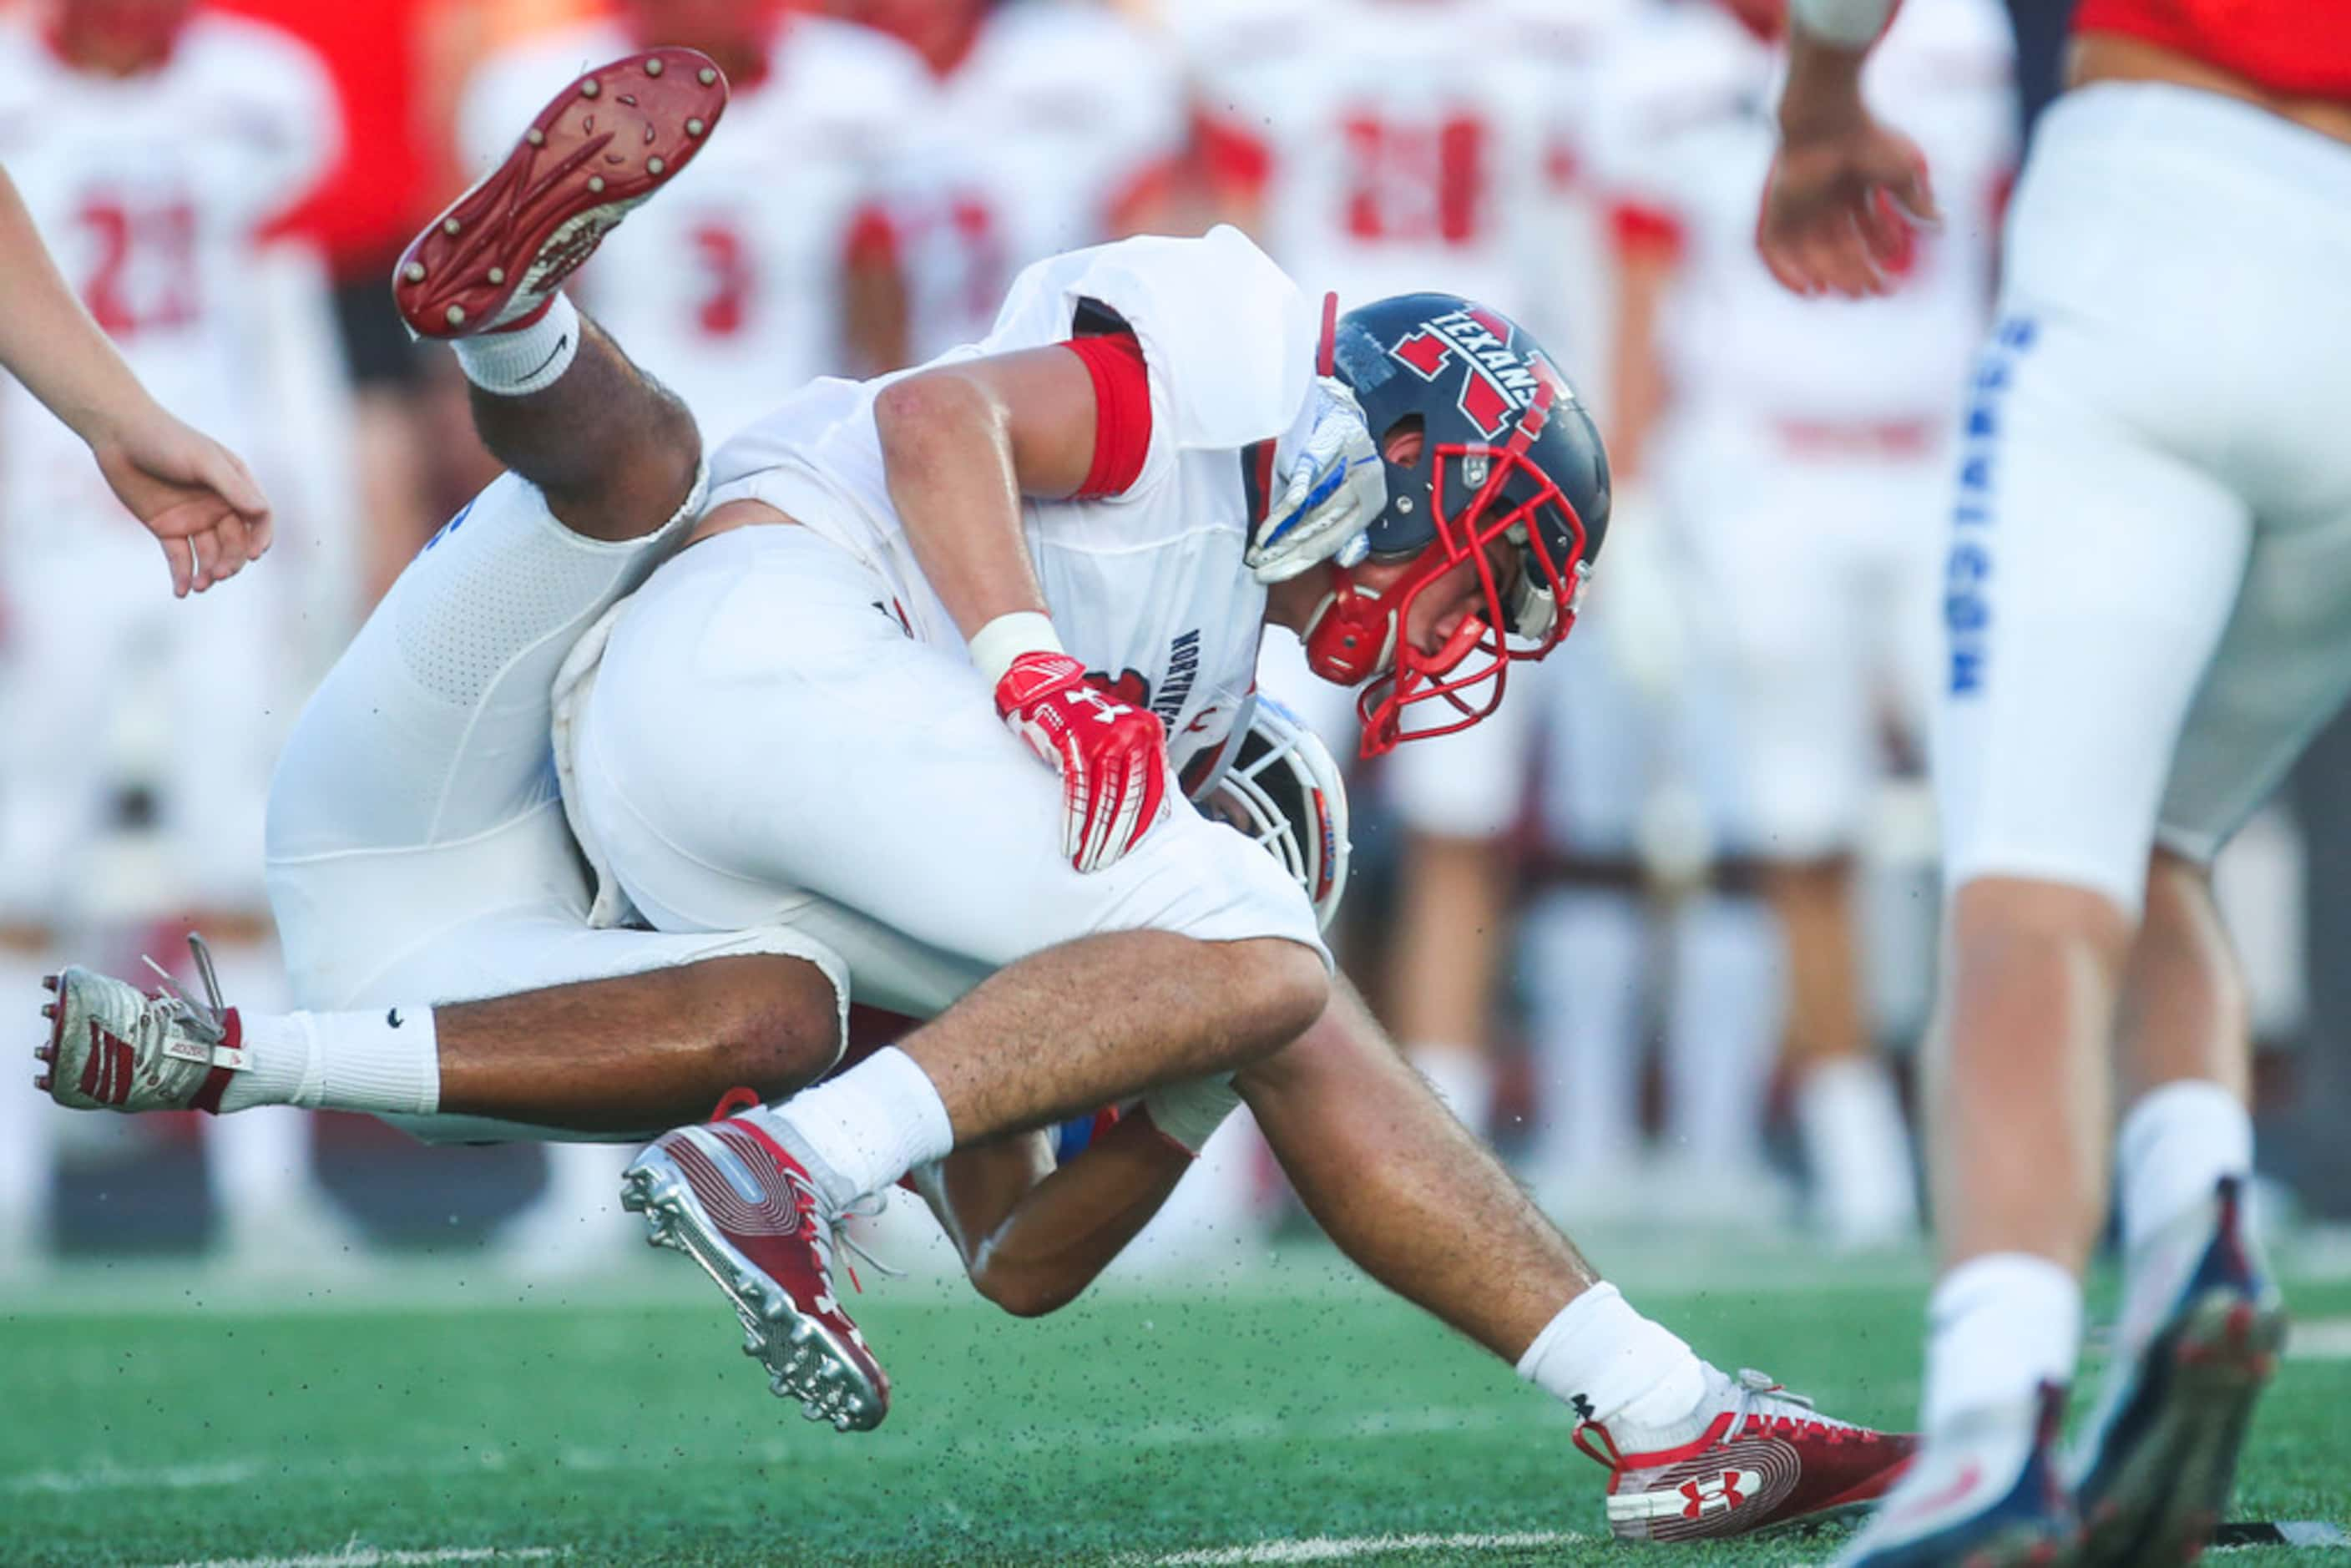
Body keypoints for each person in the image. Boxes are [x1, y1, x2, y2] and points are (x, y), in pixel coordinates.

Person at [38, 48, 1911, 1539]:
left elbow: (1017, 1260)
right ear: (1403, 457)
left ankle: (328, 1068)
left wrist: (1183, 1059)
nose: (1462, 622)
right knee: (653, 484)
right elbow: (942, 413)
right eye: (1482, 562)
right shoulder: (1235, 372)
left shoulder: (1176, 717)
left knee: (827, 1011)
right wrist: (1032, 668)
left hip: (613, 882)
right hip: (711, 659)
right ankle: (1668, 1411)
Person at [1757, 0, 2336, 1560]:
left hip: (2163, 195)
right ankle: (2188, 1220)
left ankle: (1989, 1420)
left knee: (2029, 881)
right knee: (2159, 833)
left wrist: (1819, 94)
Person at [1590, 0, 2015, 1247]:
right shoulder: (1653, 66)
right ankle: (1862, 1153)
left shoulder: (1957, 32)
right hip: (1759, 465)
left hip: (1946, 454)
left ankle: (1999, 1122)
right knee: (1799, 823)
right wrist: (1641, 505)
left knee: (2007, 807)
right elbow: (1639, 293)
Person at [0, 0, 358, 1272]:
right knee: (23, 855)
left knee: (239, 841)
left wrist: (317, 517)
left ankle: (265, 1192)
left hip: (211, 492)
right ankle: (10, 1195)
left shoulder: (258, 84)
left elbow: (280, 308)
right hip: (41, 518)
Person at [845, 0, 1186, 361]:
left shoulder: (1069, 48)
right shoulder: (847, 79)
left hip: (1065, 365)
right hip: (917, 372)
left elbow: (1166, 193)